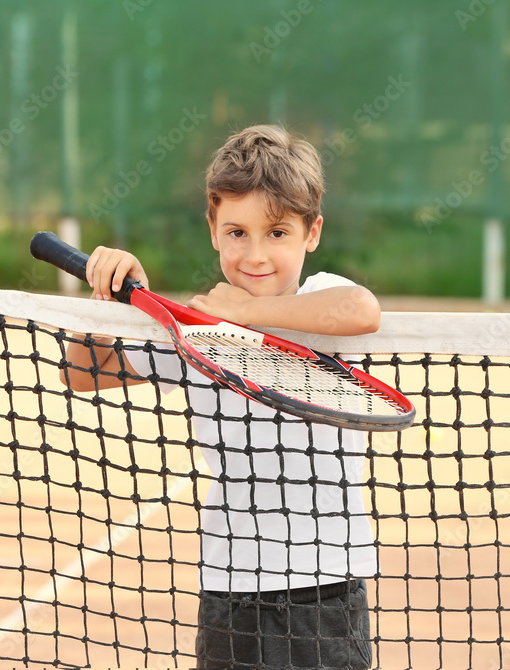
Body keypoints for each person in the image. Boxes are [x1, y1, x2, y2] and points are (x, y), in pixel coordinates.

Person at [61, 125, 380, 669]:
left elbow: (361, 309)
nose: (255, 254)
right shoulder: (194, 331)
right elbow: (89, 372)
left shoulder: (320, 297)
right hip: (229, 590)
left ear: (312, 233)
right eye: (237, 232)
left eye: (277, 232)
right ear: (212, 229)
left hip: (323, 593)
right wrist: (113, 304)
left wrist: (241, 312)